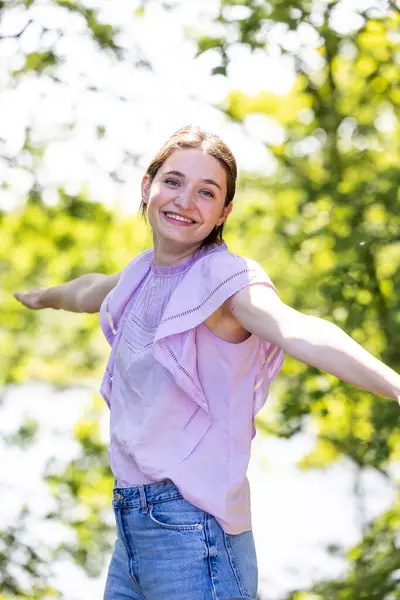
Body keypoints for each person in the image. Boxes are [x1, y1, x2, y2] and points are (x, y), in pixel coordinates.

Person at [14, 125, 400, 600]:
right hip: (132, 533)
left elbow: (299, 329)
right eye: (173, 182)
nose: (185, 200)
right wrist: (41, 297)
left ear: (224, 212)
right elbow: (88, 291)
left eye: (207, 192)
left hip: (195, 536)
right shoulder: (138, 275)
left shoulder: (225, 279)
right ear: (147, 186)